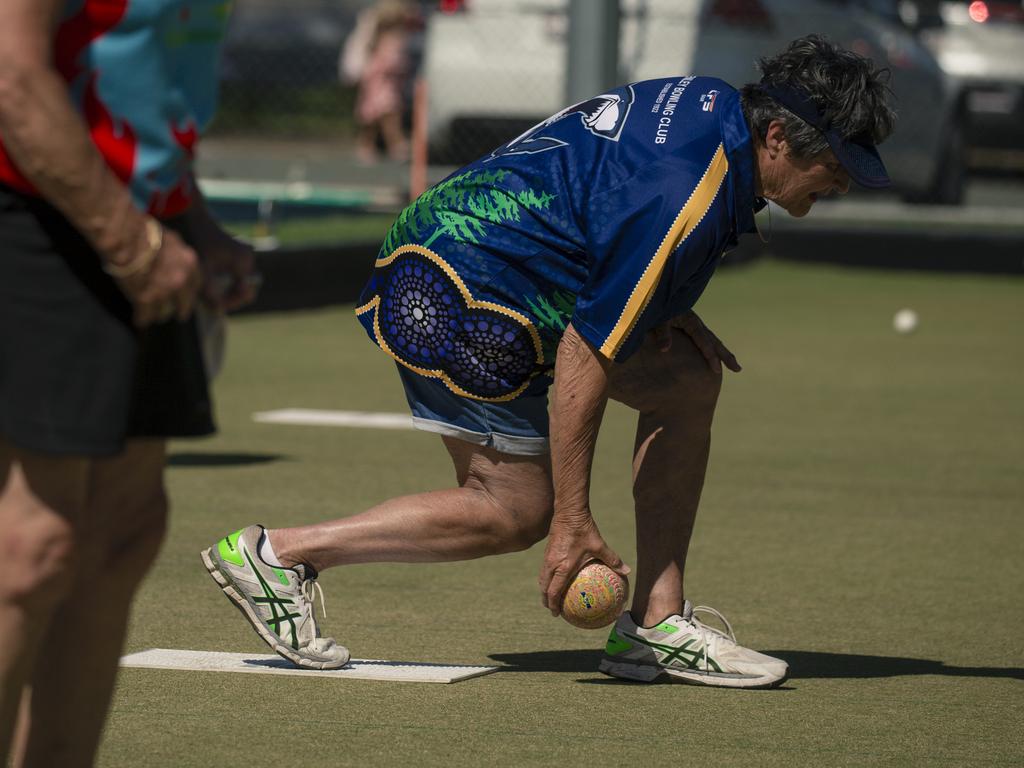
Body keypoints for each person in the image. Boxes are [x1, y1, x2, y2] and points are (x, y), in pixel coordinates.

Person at [202, 35, 895, 687]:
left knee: (685, 379)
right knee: (515, 512)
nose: (838, 184)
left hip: (495, 256)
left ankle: (656, 623)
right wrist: (573, 520)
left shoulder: (719, 108)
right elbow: (586, 352)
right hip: (464, 281)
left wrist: (661, 297)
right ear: (777, 136)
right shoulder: (687, 185)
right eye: (832, 165)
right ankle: (277, 556)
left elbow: (604, 192)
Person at [0, 1, 256, 765]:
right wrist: (130, 242)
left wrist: (191, 219)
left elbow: (138, 75)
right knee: (36, 543)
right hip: (33, 204)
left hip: (135, 210)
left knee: (124, 530)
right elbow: (12, 75)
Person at [344, 0, 420, 164]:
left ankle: (388, 145)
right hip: (378, 82)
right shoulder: (379, 35)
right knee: (381, 115)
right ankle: (388, 145)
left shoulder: (395, 35)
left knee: (387, 114)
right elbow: (388, 61)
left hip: (388, 83)